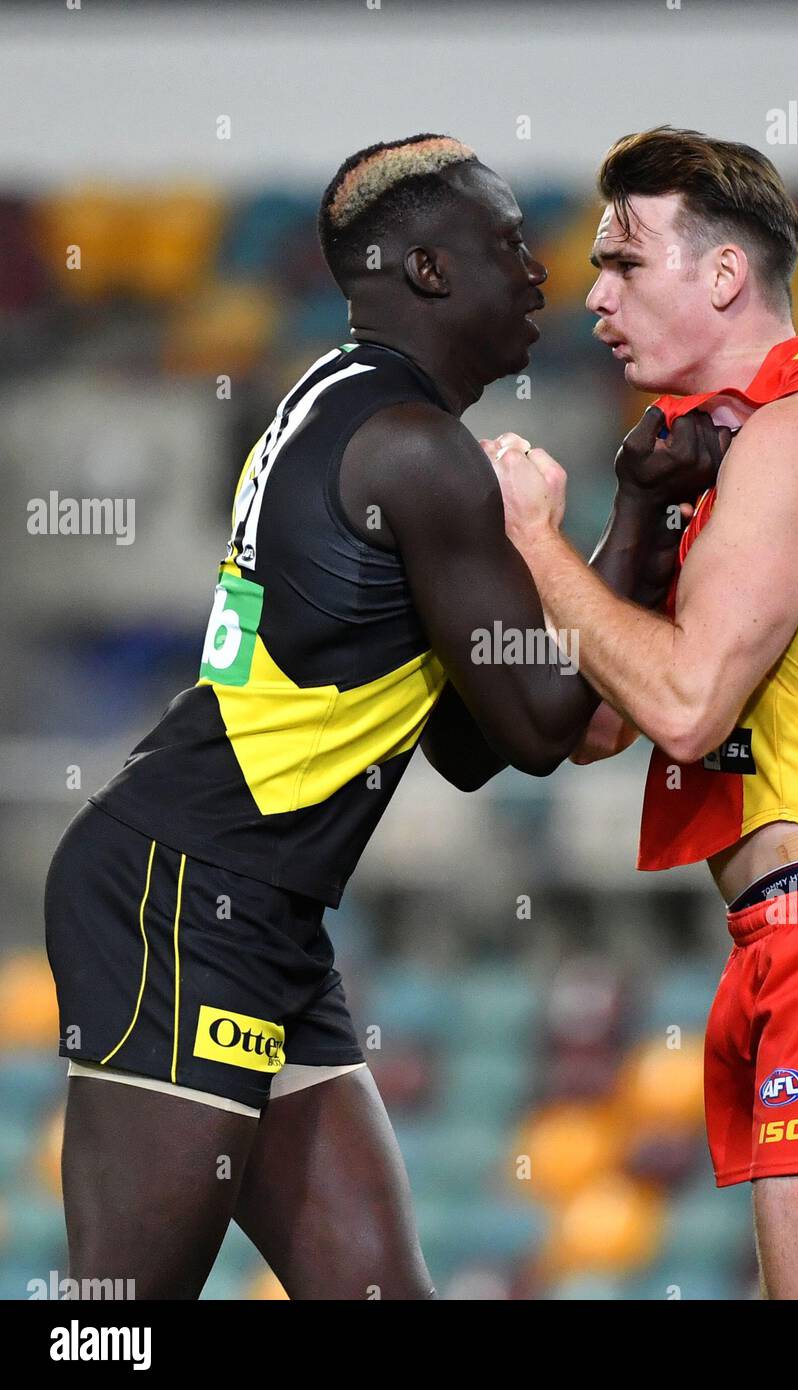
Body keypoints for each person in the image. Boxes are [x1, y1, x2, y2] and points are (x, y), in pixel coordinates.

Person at [44, 133, 719, 1299]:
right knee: (118, 1321)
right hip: (180, 895)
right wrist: (631, 518)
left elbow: (461, 746)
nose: (541, 270)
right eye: (508, 243)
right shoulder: (416, 452)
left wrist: (614, 525)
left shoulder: (343, 404)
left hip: (262, 917)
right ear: (428, 270)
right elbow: (538, 727)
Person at [488, 126, 798, 1301]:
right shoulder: (732, 449)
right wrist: (635, 520)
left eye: (625, 262)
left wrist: (534, 545)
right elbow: (601, 726)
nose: (594, 295)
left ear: (722, 276)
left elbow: (688, 707)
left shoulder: (797, 437)